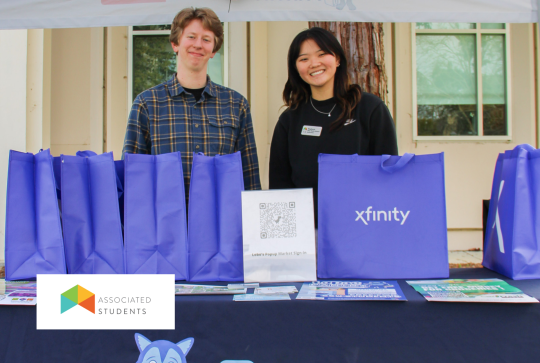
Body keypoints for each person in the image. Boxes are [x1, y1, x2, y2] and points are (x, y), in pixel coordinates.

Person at [123, 7, 261, 203]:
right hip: (165, 226)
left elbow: (249, 176)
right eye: (191, 37)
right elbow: (133, 177)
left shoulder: (236, 104)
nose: (198, 45)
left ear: (214, 50)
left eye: (206, 39)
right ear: (175, 43)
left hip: (221, 224)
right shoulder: (147, 103)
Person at [269, 27, 398, 223]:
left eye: (322, 54)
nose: (314, 63)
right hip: (307, 232)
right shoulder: (289, 120)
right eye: (304, 59)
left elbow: (389, 173)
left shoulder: (370, 109)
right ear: (296, 67)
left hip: (361, 224)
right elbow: (279, 186)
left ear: (337, 59)